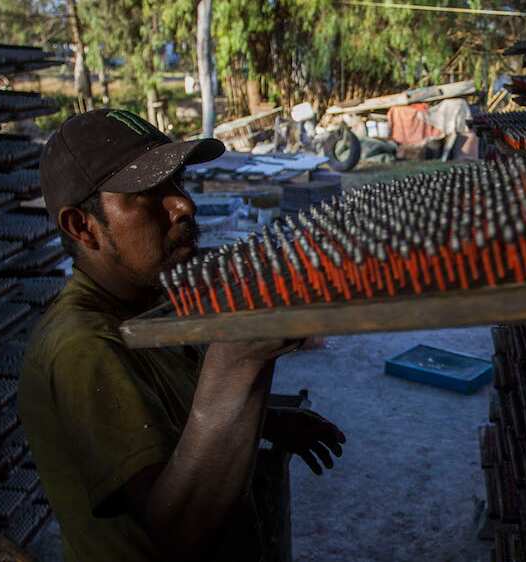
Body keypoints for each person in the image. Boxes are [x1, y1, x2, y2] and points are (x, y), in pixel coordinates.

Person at [19, 109, 345, 562]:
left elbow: (170, 416)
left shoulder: (145, 303)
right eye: (148, 193)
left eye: (177, 184)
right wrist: (239, 360)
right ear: (82, 226)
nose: (183, 205)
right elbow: (177, 534)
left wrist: (270, 421)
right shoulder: (83, 348)